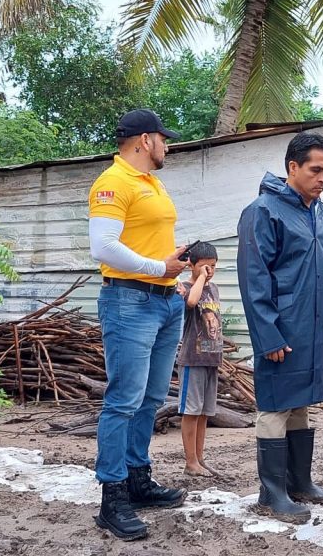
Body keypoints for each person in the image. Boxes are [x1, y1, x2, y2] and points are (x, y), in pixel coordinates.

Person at [237, 131, 323, 524]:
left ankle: (299, 483)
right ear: (292, 167)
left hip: (314, 325)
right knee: (274, 404)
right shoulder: (263, 211)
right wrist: (268, 334)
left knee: (300, 400)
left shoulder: (321, 213)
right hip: (283, 326)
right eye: (315, 170)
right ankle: (272, 493)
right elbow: (254, 279)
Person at [89, 109, 189, 541]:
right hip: (129, 301)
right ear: (145, 141)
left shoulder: (153, 183)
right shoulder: (112, 183)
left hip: (166, 302)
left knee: (149, 398)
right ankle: (112, 498)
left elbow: (144, 240)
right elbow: (104, 247)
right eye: (163, 139)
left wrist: (176, 261)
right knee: (123, 400)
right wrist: (157, 266)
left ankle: (137, 479)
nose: (167, 146)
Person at [176, 242, 223, 478]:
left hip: (211, 358)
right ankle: (190, 461)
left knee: (205, 412)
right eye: (205, 267)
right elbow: (192, 303)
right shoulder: (185, 287)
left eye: (213, 267)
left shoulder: (214, 289)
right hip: (192, 359)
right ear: (191, 266)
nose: (210, 271)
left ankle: (200, 457)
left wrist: (206, 281)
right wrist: (201, 279)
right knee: (191, 411)